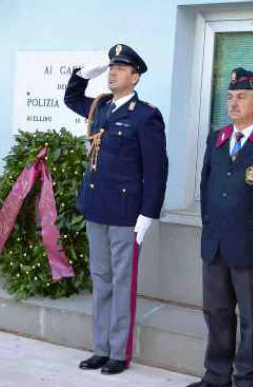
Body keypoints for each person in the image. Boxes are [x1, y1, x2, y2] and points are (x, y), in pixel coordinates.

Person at [64, 44, 168, 375]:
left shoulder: (145, 115)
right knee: (101, 279)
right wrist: (81, 76)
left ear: (135, 77)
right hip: (96, 208)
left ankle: (119, 353)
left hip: (126, 213)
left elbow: (156, 168)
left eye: (121, 68)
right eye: (111, 67)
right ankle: (100, 347)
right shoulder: (102, 107)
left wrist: (148, 214)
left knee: (123, 282)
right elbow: (71, 99)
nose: (112, 72)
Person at [190, 68, 253, 387]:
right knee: (216, 313)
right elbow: (206, 188)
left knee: (251, 318)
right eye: (230, 97)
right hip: (216, 245)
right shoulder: (217, 140)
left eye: (241, 97)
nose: (233, 103)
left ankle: (248, 378)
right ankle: (216, 375)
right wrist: (209, 230)